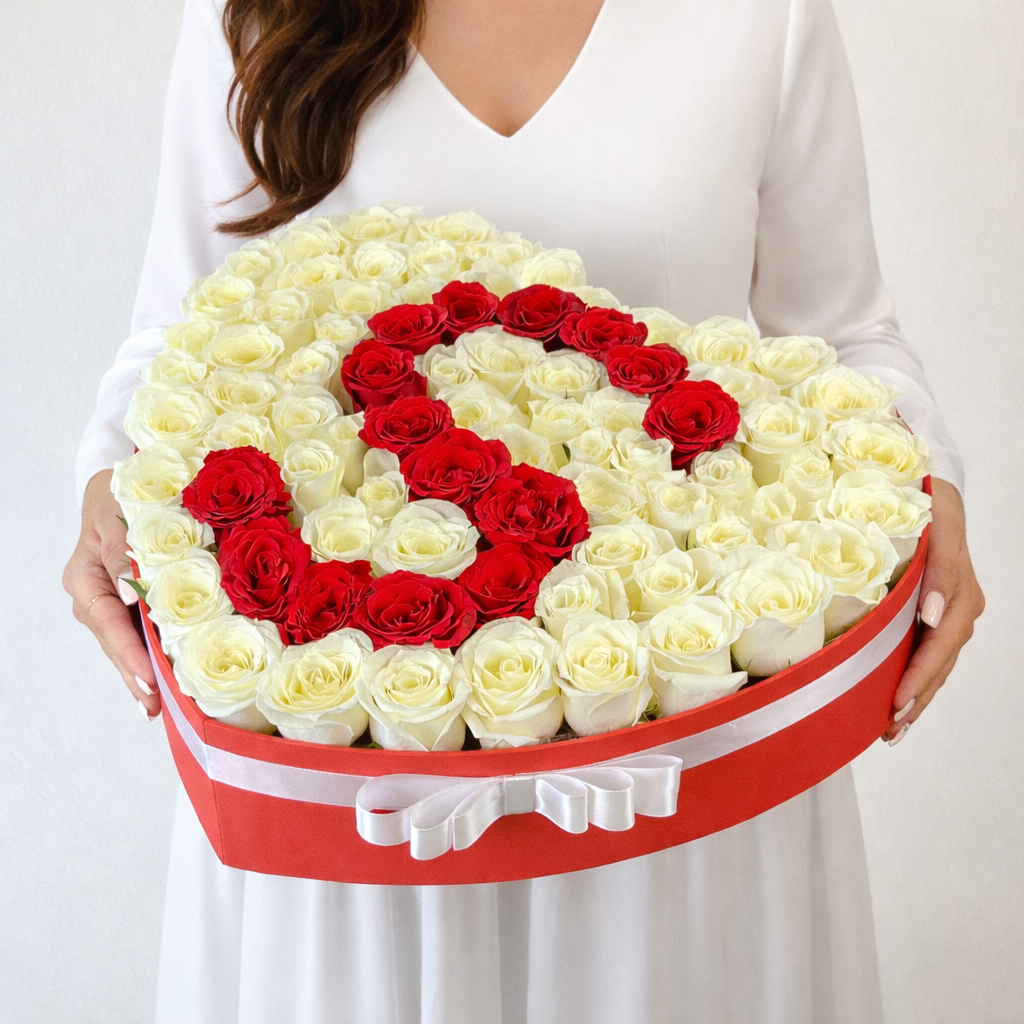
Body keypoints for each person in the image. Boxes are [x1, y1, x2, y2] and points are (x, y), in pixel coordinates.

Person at [63, 0, 985, 1020]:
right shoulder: (253, 18)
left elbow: (845, 329)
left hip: (680, 757)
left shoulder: (758, 16)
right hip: (365, 796)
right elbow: (173, 338)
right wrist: (109, 481)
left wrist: (925, 470)